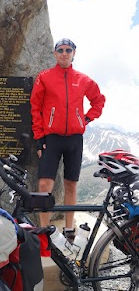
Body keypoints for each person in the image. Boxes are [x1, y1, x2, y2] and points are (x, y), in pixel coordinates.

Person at [30, 38, 105, 240]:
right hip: (51, 139)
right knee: (45, 185)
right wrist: (39, 138)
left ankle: (69, 228)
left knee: (71, 184)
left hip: (74, 140)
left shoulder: (83, 80)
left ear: (73, 54)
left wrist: (86, 118)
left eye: (68, 50)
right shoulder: (44, 77)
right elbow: (35, 107)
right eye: (60, 50)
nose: (64, 53)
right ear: (55, 54)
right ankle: (44, 230)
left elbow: (99, 100)